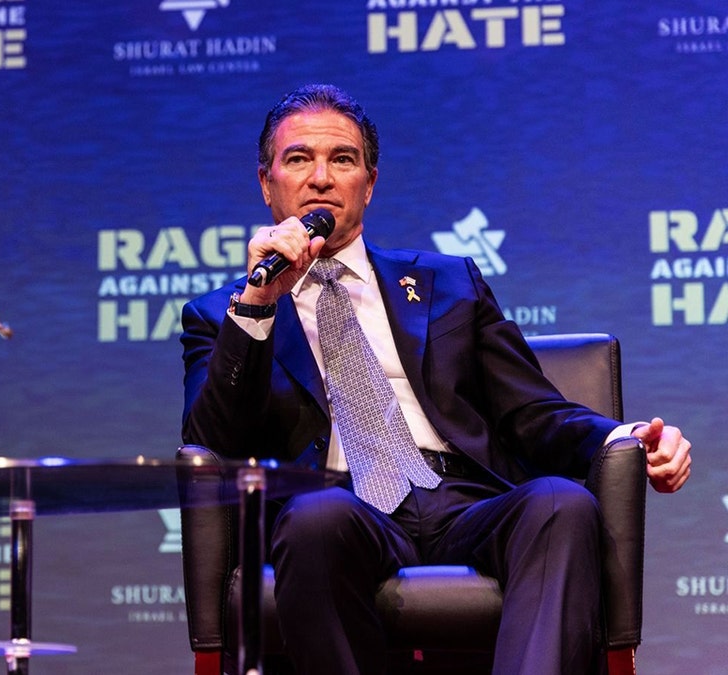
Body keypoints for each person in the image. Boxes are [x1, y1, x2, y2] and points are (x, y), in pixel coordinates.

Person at [179, 83, 692, 675]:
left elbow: (533, 411)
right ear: (267, 183)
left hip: (465, 502)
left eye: (342, 159)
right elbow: (213, 443)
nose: (321, 178)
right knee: (316, 518)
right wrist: (259, 303)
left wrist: (627, 436)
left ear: (369, 184)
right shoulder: (223, 315)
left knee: (562, 503)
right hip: (337, 509)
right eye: (298, 159)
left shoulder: (449, 282)